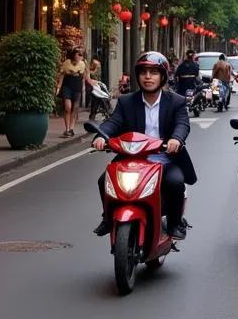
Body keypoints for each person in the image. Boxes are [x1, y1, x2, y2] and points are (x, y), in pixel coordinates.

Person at [92, 51, 196, 240]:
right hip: (132, 158)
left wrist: (176, 139)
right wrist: (102, 136)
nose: (148, 77)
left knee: (175, 182)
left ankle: (174, 223)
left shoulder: (176, 102)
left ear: (163, 76)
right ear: (138, 76)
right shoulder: (126, 101)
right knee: (104, 180)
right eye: (144, 72)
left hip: (165, 158)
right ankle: (108, 218)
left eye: (154, 72)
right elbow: (113, 122)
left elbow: (183, 124)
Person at [57, 47, 87, 138]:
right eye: (79, 54)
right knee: (68, 107)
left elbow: (84, 77)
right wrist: (58, 87)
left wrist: (83, 87)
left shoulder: (82, 64)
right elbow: (62, 75)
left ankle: (71, 128)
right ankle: (67, 129)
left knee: (75, 108)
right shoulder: (66, 63)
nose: (80, 57)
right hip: (67, 86)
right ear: (74, 55)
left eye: (82, 55)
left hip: (77, 87)